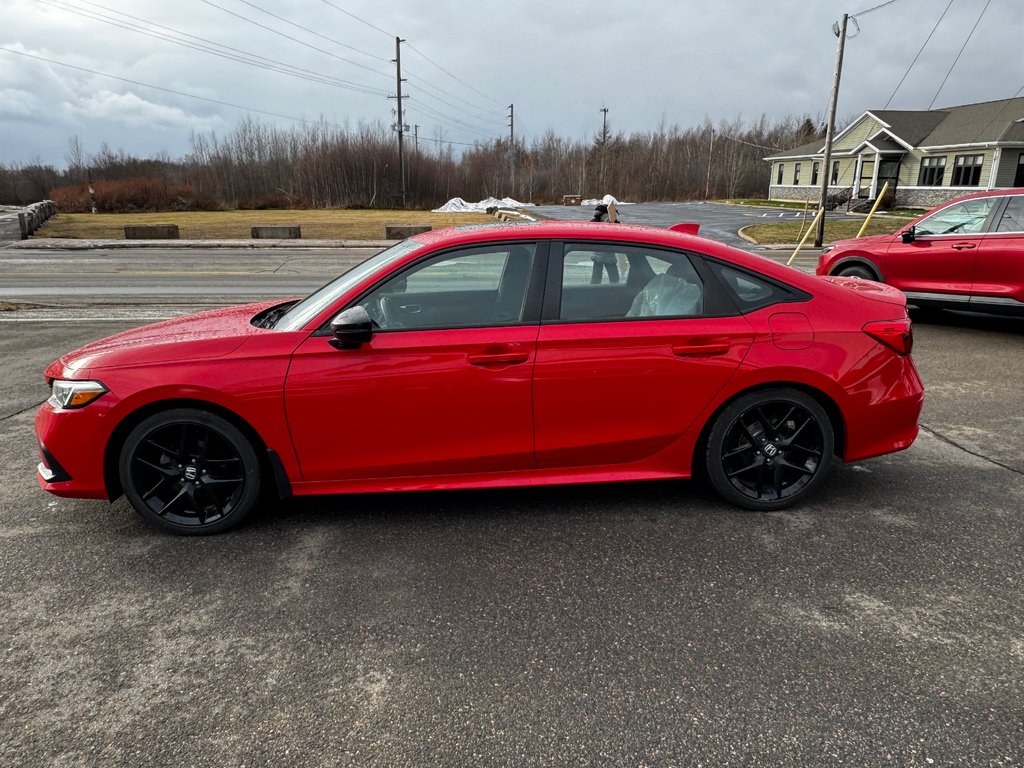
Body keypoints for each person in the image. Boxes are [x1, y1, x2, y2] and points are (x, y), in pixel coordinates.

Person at [590, 195, 621, 283]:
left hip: (598, 251)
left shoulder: (598, 216)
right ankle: (614, 293)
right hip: (607, 252)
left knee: (596, 278)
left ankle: (592, 293)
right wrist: (616, 224)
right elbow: (611, 229)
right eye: (615, 205)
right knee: (614, 278)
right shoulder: (607, 216)